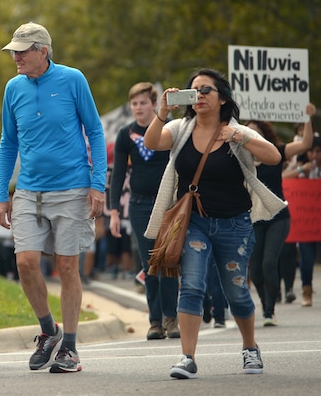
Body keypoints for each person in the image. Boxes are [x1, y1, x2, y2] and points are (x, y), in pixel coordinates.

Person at [144, 68, 286, 379]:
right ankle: (187, 357)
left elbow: (274, 156)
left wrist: (239, 136)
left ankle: (250, 347)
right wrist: (161, 113)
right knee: (192, 287)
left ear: (222, 97)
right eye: (194, 91)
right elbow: (152, 143)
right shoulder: (179, 128)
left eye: (206, 90)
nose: (199, 96)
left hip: (234, 226)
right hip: (192, 223)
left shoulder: (237, 131)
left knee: (236, 292)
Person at [0, 22, 107, 373]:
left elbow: (95, 130)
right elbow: (8, 142)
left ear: (43, 51)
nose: (16, 56)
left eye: (23, 50)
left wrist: (98, 183)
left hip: (73, 188)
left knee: (67, 266)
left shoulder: (73, 79)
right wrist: (1, 194)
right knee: (26, 262)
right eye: (14, 50)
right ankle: (49, 331)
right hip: (29, 190)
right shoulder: (13, 88)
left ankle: (70, 348)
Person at [109, 82, 179, 340]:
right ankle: (155, 321)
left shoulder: (170, 129)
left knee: (168, 260)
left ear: (153, 104)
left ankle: (172, 319)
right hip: (138, 205)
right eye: (134, 103)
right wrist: (114, 211)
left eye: (143, 103)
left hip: (168, 204)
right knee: (150, 263)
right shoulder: (126, 134)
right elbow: (117, 176)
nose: (138, 108)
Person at [246, 103, 316, 322]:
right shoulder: (240, 157)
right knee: (255, 269)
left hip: (278, 217)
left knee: (269, 263)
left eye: (256, 132)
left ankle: (269, 311)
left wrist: (307, 118)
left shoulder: (278, 150)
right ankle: (267, 300)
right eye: (248, 132)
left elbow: (306, 143)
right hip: (254, 218)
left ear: (264, 134)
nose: (252, 136)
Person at [292, 135, 321, 306]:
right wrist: (302, 171)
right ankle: (306, 289)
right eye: (311, 151)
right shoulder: (299, 167)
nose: (315, 155)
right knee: (307, 258)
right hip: (306, 223)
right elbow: (283, 177)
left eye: (318, 152)